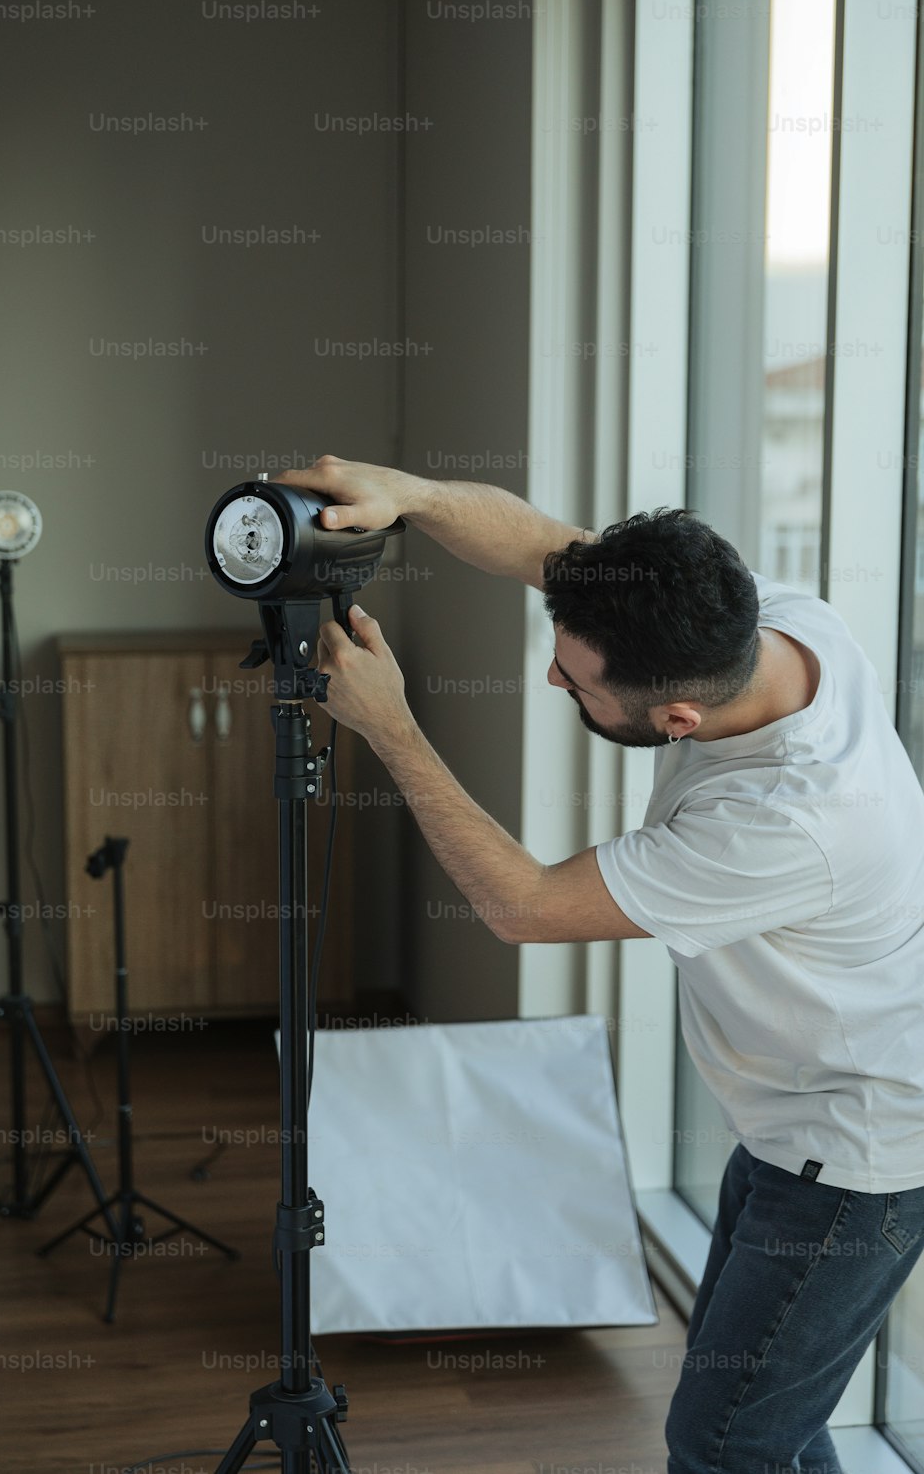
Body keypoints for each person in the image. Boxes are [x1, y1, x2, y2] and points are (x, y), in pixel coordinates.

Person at [274, 454, 924, 1474]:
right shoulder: (762, 624)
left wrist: (389, 728)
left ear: (676, 724)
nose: (550, 677)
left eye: (572, 681)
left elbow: (524, 908)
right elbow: (545, 547)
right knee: (768, 1429)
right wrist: (415, 495)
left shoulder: (789, 824)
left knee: (722, 1439)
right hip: (790, 1119)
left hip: (857, 1148)